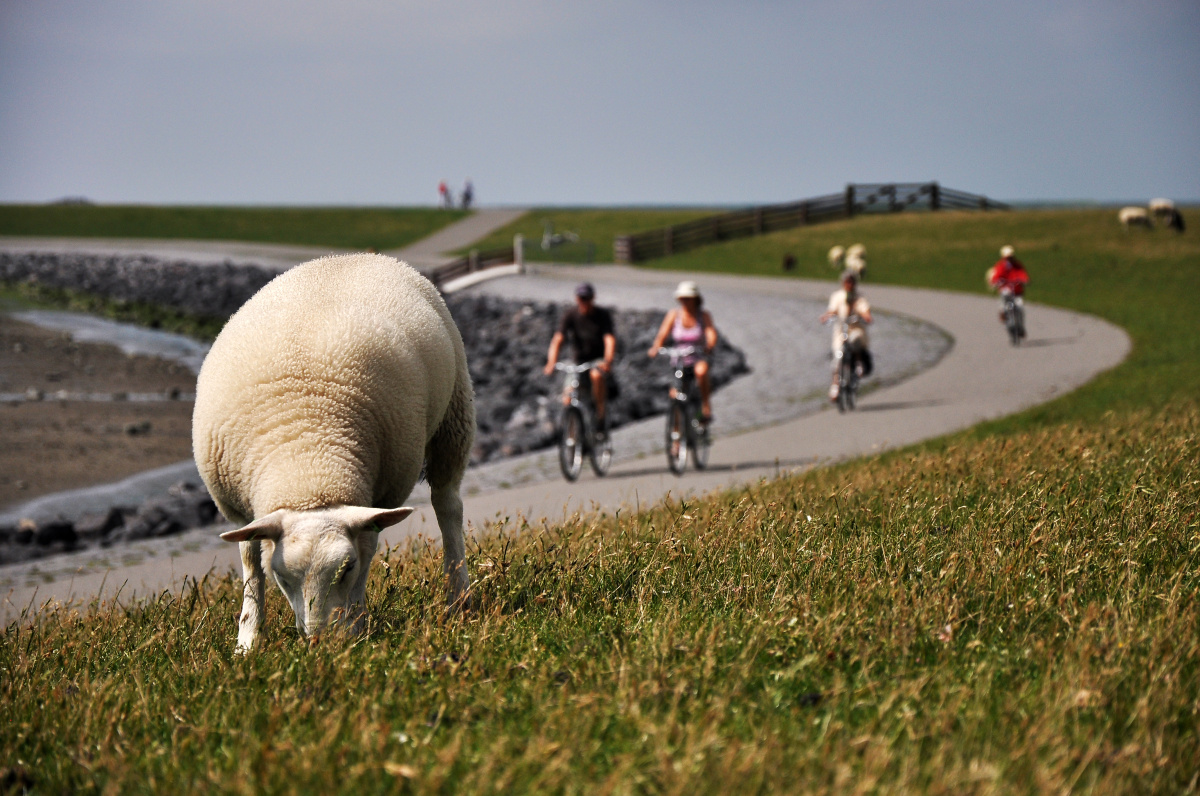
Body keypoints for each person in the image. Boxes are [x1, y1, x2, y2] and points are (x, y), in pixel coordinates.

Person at [544, 282, 617, 433]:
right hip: (578, 361)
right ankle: (572, 436)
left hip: (597, 360)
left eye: (587, 298)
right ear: (577, 299)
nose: (584, 302)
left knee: (596, 376)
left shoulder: (602, 315)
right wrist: (551, 362)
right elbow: (558, 339)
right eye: (582, 298)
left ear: (593, 298)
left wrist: (608, 361)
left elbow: (609, 339)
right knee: (568, 397)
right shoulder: (571, 315)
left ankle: (600, 414)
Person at [648, 281, 718, 423]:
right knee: (675, 394)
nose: (685, 301)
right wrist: (656, 347)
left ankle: (706, 406)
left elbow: (711, 333)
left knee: (701, 371)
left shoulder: (703, 315)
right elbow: (662, 334)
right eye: (683, 298)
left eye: (688, 298)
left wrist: (709, 345)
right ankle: (676, 431)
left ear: (695, 299)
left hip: (696, 356)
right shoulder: (674, 315)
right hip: (678, 359)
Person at [819, 269, 873, 402]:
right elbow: (832, 310)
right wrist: (827, 317)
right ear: (843, 282)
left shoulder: (859, 298)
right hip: (841, 330)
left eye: (851, 281)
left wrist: (865, 317)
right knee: (837, 357)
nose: (849, 284)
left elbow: (865, 312)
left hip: (855, 329)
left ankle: (858, 362)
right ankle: (835, 385)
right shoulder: (838, 296)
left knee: (856, 340)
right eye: (847, 281)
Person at [987, 244, 1029, 330]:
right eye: (1008, 257)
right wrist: (996, 282)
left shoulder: (1017, 265)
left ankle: (1020, 325)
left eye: (1011, 257)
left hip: (1016, 290)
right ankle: (1003, 312)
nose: (1009, 259)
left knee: (1020, 306)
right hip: (1005, 288)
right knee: (1005, 296)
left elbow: (1022, 274)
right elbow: (996, 276)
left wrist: (1024, 280)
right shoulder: (1000, 266)